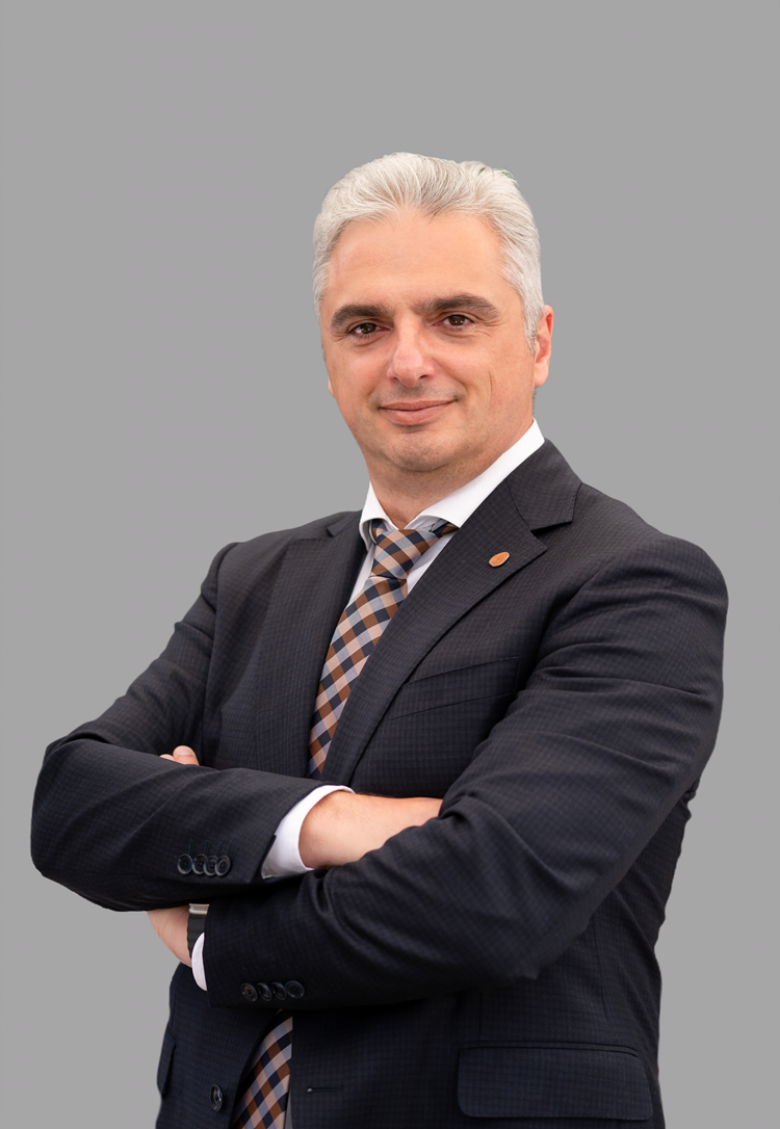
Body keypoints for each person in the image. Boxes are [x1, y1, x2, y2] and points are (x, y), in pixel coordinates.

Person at [31, 153, 727, 1129]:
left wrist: (214, 936)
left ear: (538, 341)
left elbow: (491, 896)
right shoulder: (254, 578)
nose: (407, 361)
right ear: (327, 358)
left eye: (455, 318)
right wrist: (329, 823)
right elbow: (72, 806)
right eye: (365, 326)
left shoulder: (635, 581)